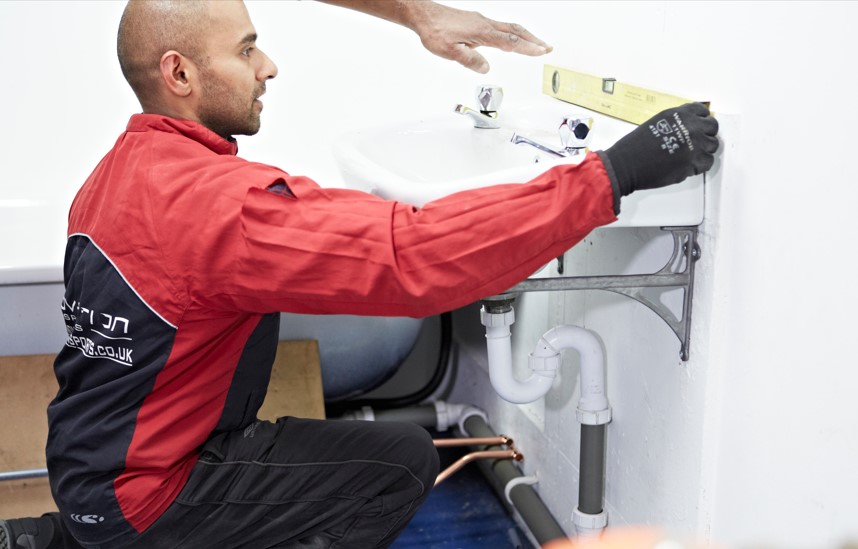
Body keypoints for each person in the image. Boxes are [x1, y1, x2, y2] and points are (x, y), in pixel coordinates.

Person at [0, 1, 718, 548]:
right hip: (151, 491)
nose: (268, 67)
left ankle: (61, 536)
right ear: (179, 74)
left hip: (89, 465)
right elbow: (417, 258)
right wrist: (614, 176)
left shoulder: (115, 174)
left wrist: (413, 15)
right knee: (398, 465)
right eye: (247, 50)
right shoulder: (216, 206)